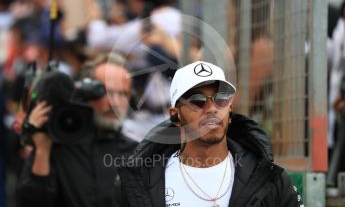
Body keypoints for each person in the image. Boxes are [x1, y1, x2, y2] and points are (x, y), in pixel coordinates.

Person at [112, 61, 304, 207]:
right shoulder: (138, 183)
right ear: (175, 116)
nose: (212, 108)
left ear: (230, 111)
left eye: (221, 99)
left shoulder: (268, 179)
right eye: (197, 100)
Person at [18, 54, 137, 207]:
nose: (114, 102)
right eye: (106, 91)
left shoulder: (136, 153)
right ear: (85, 91)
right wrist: (42, 149)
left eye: (123, 93)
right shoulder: (56, 143)